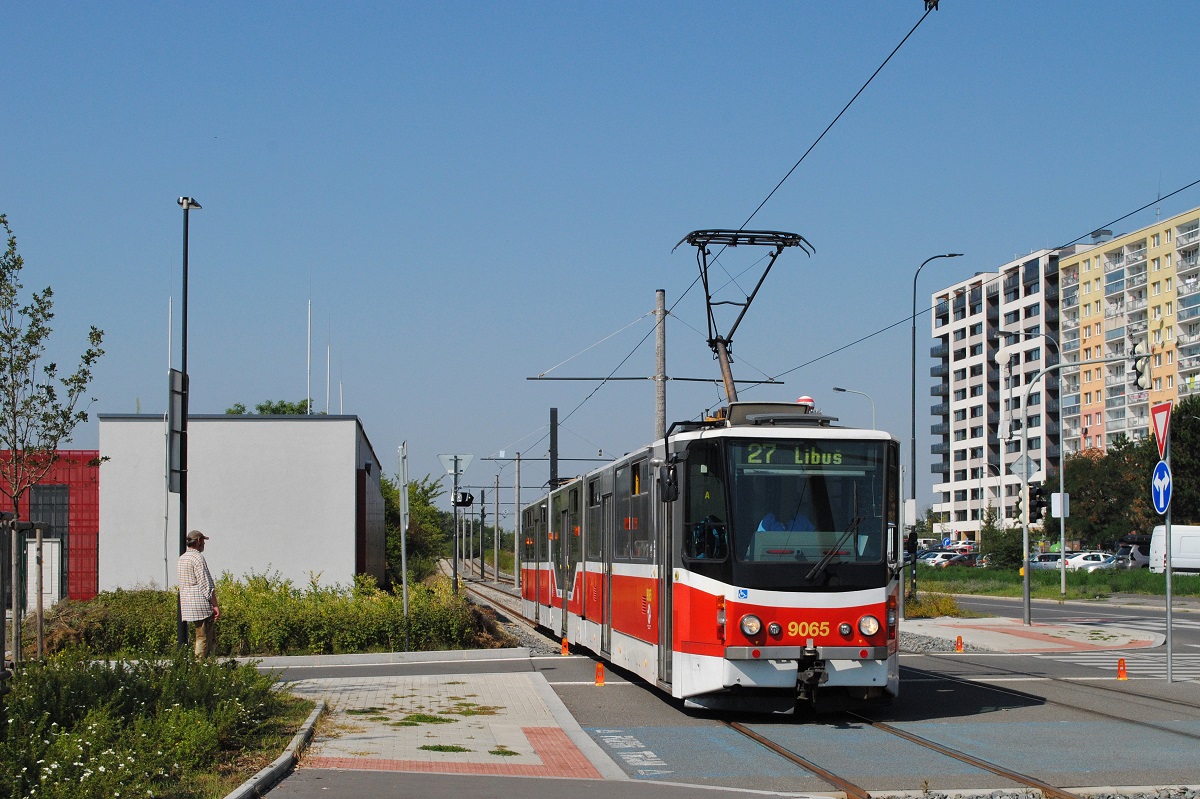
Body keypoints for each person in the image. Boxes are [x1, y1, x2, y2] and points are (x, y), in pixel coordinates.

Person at [178, 529, 219, 657]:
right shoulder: (198, 558)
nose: (204, 545)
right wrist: (215, 605)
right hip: (200, 604)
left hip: (187, 603)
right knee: (203, 636)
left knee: (208, 637)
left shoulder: (182, 558)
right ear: (199, 541)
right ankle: (200, 666)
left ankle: (207, 663)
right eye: (203, 541)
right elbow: (206, 584)